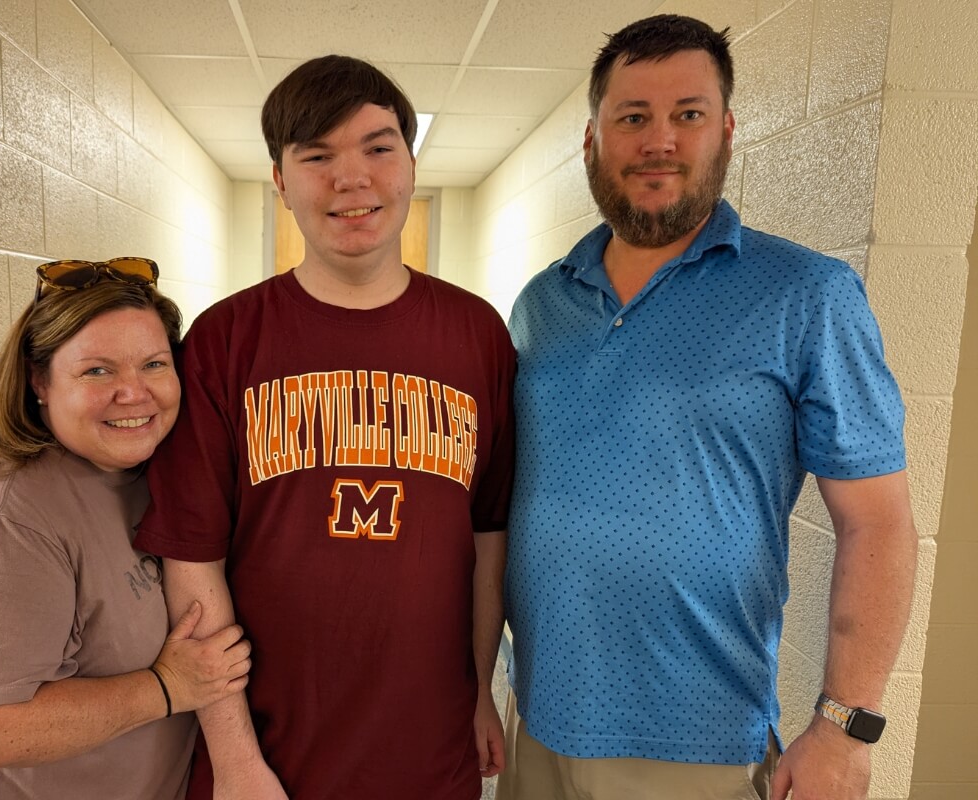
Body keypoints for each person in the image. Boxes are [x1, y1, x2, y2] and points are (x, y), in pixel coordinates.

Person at [499, 14, 917, 800]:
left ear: (725, 131)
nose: (659, 140)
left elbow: (879, 522)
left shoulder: (808, 295)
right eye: (632, 117)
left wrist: (844, 728)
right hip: (539, 716)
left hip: (695, 740)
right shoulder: (540, 304)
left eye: (687, 114)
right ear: (591, 141)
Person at [135, 56, 516, 800]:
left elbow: (487, 539)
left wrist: (479, 692)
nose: (352, 178)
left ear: (411, 165)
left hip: (430, 751)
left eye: (378, 147)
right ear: (281, 181)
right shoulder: (224, 340)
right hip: (270, 758)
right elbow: (193, 562)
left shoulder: (477, 334)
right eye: (317, 156)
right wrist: (235, 759)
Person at [0, 258, 252, 799]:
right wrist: (167, 687)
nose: (133, 392)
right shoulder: (0, 522)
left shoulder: (143, 474)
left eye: (154, 364)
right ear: (39, 380)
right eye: (97, 371)